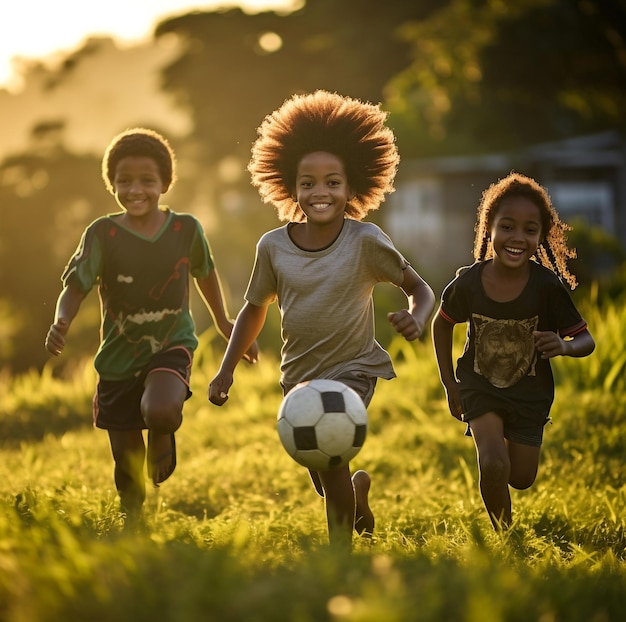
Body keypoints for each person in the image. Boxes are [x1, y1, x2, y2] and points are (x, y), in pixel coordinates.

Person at [208, 90, 436, 548]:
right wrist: (226, 368)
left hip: (354, 369)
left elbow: (420, 288)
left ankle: (338, 558)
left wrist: (418, 317)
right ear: (290, 188)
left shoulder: (366, 241)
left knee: (330, 456)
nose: (320, 192)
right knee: (324, 467)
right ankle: (356, 497)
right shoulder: (273, 246)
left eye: (333, 182)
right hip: (298, 376)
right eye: (308, 182)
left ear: (353, 188)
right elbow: (255, 308)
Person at [45, 128, 258, 525]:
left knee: (160, 409)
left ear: (164, 182)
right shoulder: (103, 234)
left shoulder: (186, 230)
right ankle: (134, 525)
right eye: (124, 181)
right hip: (117, 360)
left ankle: (163, 428)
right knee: (127, 467)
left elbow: (205, 274)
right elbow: (75, 286)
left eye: (146, 180)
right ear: (112, 184)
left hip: (170, 344)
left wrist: (223, 321)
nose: (135, 189)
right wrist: (62, 320)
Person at [431, 172, 595, 530]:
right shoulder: (469, 284)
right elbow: (441, 324)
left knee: (520, 477)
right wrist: (450, 383)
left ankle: (504, 447)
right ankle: (506, 538)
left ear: (541, 235)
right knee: (493, 464)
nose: (517, 238)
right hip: (479, 386)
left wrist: (565, 348)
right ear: (489, 227)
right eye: (507, 226)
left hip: (530, 396)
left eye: (529, 229)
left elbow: (586, 340)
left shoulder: (547, 288)